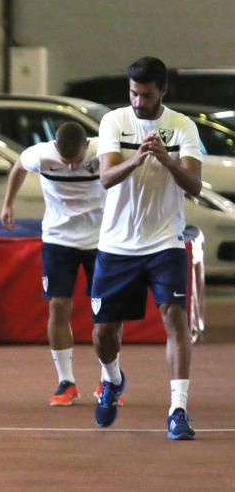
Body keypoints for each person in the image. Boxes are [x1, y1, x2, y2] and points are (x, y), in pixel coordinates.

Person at [92, 56, 200, 440]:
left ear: (162, 92)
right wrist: (137, 158)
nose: (139, 101)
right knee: (104, 332)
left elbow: (195, 185)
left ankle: (178, 409)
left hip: (164, 241)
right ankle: (112, 379)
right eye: (134, 93)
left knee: (174, 317)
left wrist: (167, 161)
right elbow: (105, 177)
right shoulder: (114, 122)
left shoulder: (181, 126)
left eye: (147, 95)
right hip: (117, 244)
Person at [0, 122, 105, 406]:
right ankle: (66, 380)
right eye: (65, 161)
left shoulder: (104, 148)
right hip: (59, 239)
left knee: (105, 313)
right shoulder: (42, 155)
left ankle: (109, 378)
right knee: (58, 306)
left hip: (100, 240)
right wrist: (8, 203)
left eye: (77, 161)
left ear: (87, 146)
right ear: (57, 148)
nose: (71, 168)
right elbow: (19, 166)